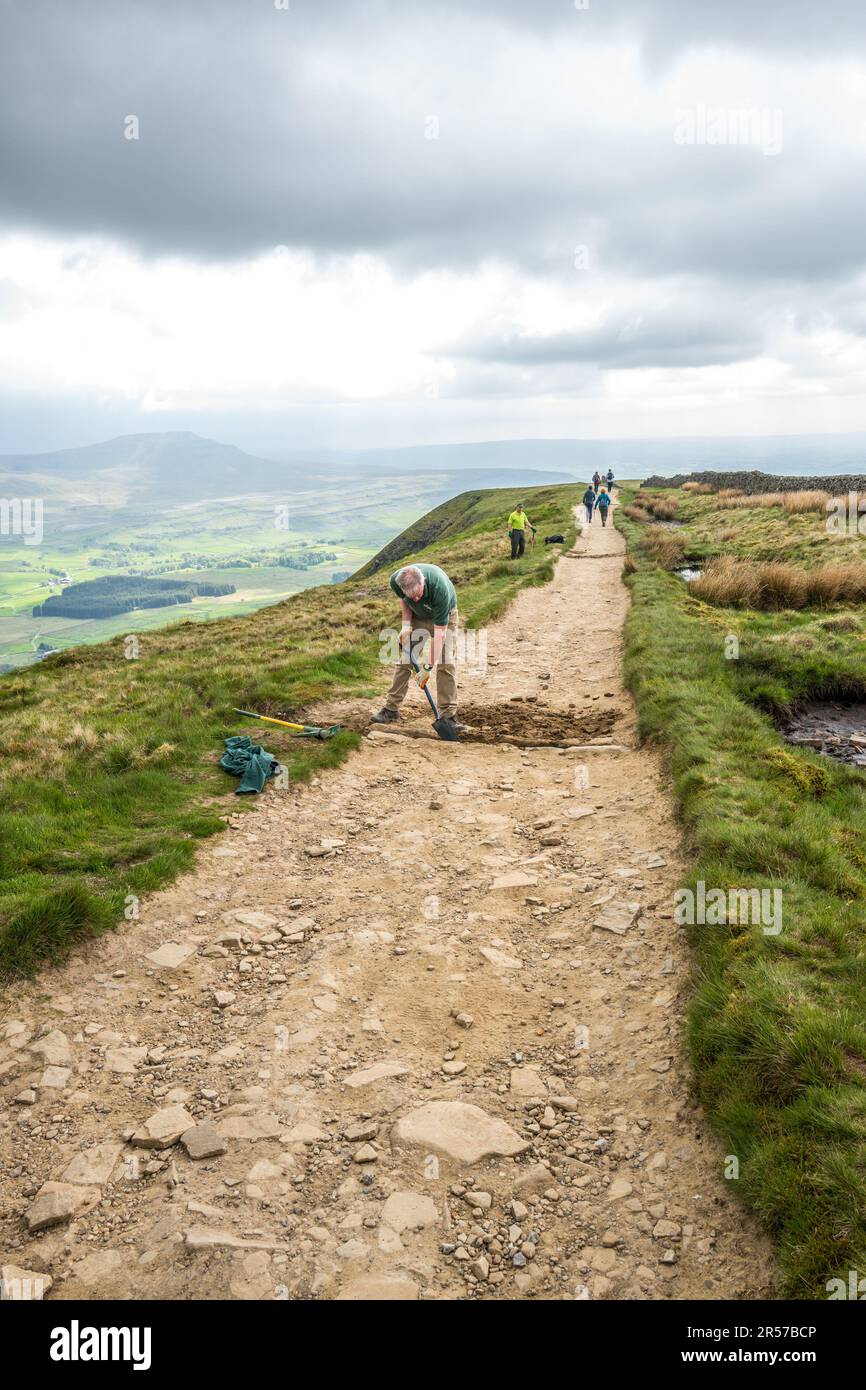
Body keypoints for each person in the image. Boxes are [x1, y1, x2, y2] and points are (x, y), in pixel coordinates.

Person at [371, 563, 465, 734]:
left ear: (424, 582)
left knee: (446, 663)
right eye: (411, 596)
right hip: (418, 617)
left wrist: (427, 668)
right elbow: (404, 600)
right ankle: (391, 710)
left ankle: (449, 716)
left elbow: (440, 636)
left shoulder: (439, 588)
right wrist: (406, 625)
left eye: (418, 594)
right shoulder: (396, 581)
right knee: (405, 660)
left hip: (445, 617)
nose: (415, 599)